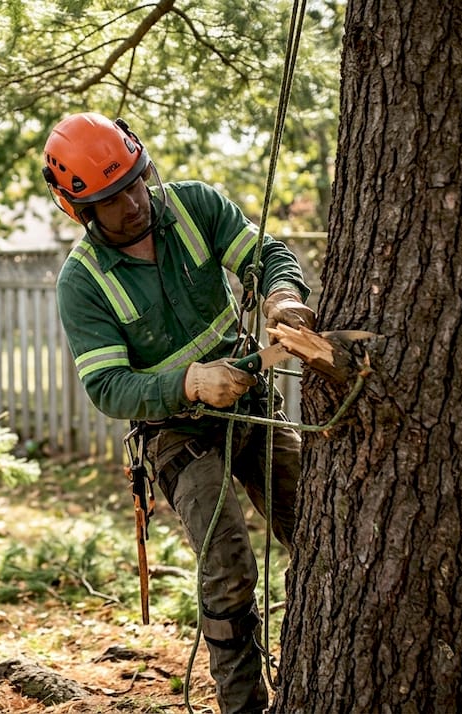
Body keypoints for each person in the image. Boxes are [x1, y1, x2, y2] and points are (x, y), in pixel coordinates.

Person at [44, 111, 316, 714]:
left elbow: (265, 251)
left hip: (252, 405)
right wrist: (189, 383)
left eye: (136, 182)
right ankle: (243, 705)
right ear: (80, 208)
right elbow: (109, 388)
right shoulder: (82, 282)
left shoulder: (196, 206)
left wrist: (281, 293)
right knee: (228, 564)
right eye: (112, 199)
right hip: (176, 435)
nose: (133, 203)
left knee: (320, 530)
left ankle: (325, 665)